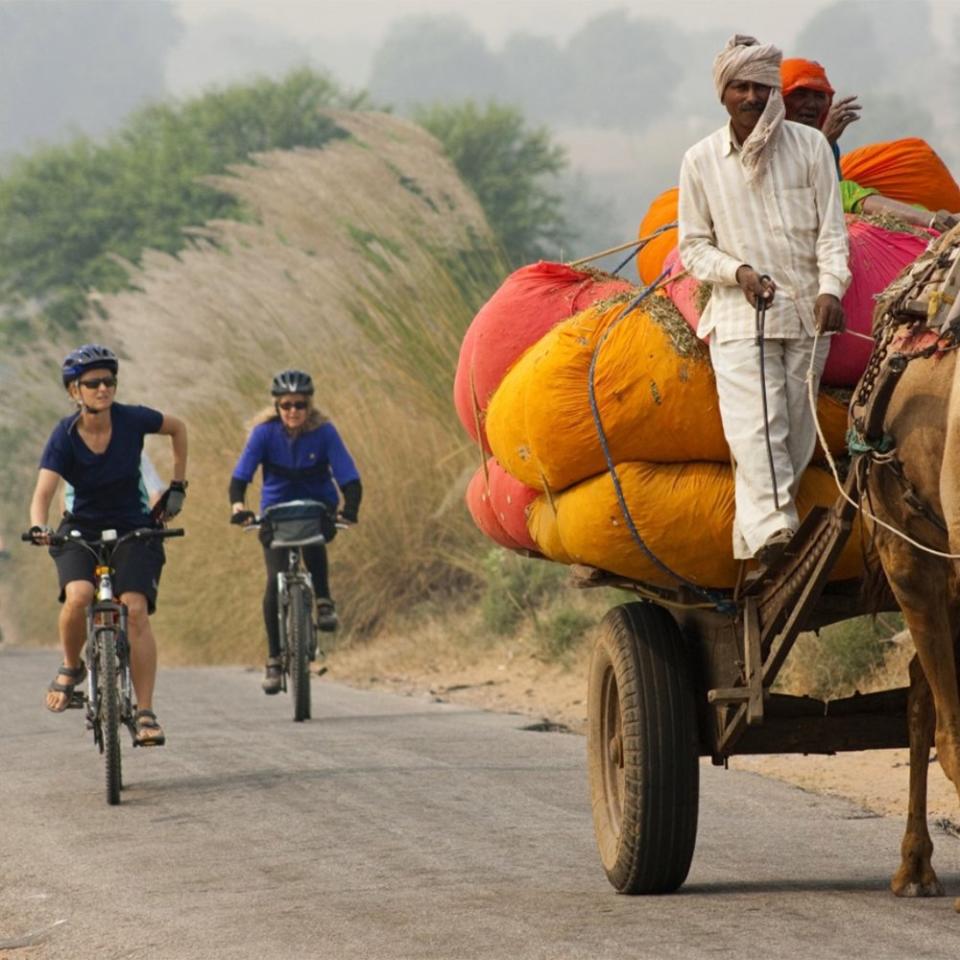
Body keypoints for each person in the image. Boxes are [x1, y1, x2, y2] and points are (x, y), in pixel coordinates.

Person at [678, 35, 851, 567]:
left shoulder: (811, 147)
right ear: (722, 93)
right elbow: (692, 247)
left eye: (761, 86)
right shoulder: (701, 161)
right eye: (740, 86)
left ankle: (752, 543)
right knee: (757, 429)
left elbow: (831, 234)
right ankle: (777, 535)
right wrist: (739, 272)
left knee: (797, 433)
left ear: (775, 90)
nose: (752, 97)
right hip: (738, 318)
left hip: (806, 315)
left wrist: (831, 289)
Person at [28, 344, 188, 745]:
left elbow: (178, 428)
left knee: (134, 608)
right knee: (79, 596)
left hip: (134, 527)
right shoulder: (64, 436)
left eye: (109, 381)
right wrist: (38, 526)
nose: (103, 389)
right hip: (80, 528)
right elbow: (44, 492)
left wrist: (178, 488)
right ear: (74, 391)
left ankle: (146, 712)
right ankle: (71, 666)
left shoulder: (133, 419)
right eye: (93, 383)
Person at [229, 369, 362, 694]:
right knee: (273, 584)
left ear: (309, 405)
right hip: (276, 512)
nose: (293, 411)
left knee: (314, 537)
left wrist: (349, 510)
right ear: (276, 406)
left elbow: (349, 477)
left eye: (300, 405)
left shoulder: (325, 432)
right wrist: (238, 508)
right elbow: (241, 477)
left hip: (318, 506)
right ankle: (274, 659)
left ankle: (324, 602)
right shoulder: (263, 434)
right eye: (286, 405)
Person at [781, 57, 959, 232]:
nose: (811, 104)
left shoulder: (824, 139)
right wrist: (825, 141)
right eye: (800, 94)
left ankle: (941, 219)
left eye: (819, 96)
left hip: (824, 209)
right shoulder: (769, 136)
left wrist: (826, 142)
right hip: (786, 212)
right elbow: (792, 184)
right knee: (843, 190)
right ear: (780, 99)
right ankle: (933, 221)